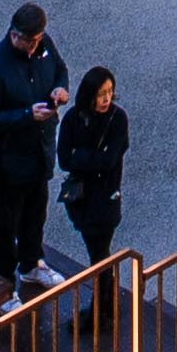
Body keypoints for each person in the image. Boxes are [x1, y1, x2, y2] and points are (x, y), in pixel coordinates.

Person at [0, 5, 61, 286]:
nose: (34, 47)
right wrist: (25, 115)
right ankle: (4, 283)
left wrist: (60, 88)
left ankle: (32, 264)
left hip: (38, 152)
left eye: (37, 41)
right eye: (28, 41)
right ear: (15, 35)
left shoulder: (44, 46)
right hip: (7, 163)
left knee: (36, 213)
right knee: (4, 226)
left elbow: (60, 70)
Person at [54, 63, 132, 276]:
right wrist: (92, 158)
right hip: (81, 200)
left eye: (109, 92)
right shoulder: (73, 118)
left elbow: (109, 160)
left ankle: (104, 302)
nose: (107, 99)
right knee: (97, 253)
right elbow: (63, 159)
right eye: (101, 94)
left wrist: (79, 155)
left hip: (105, 198)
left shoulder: (117, 119)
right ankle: (104, 300)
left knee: (99, 253)